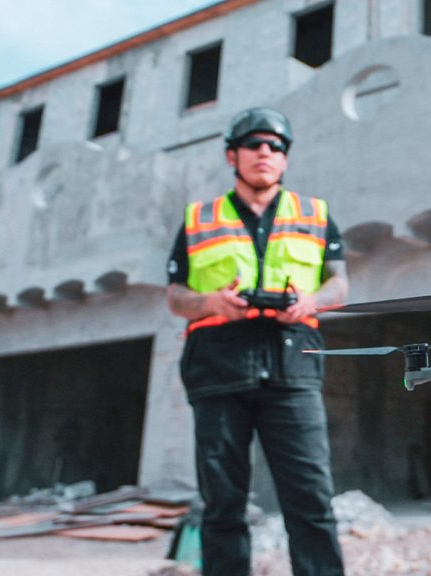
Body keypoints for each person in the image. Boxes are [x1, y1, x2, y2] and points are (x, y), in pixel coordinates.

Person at [166, 107, 348, 576]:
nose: (265, 152)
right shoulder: (199, 218)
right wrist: (210, 301)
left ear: (285, 158)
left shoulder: (314, 214)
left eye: (275, 146)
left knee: (311, 498)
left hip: (293, 365)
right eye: (253, 144)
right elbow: (175, 295)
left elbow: (339, 284)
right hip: (218, 366)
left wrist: (311, 301)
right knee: (222, 502)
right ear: (233, 156)